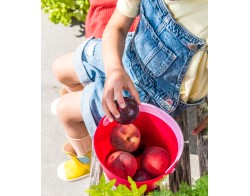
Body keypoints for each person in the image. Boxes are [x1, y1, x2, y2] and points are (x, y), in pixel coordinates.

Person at [52, 0, 208, 181]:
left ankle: (87, 157)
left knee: (64, 111)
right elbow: (117, 27)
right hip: (127, 53)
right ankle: (86, 110)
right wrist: (114, 68)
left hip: (150, 96)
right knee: (59, 68)